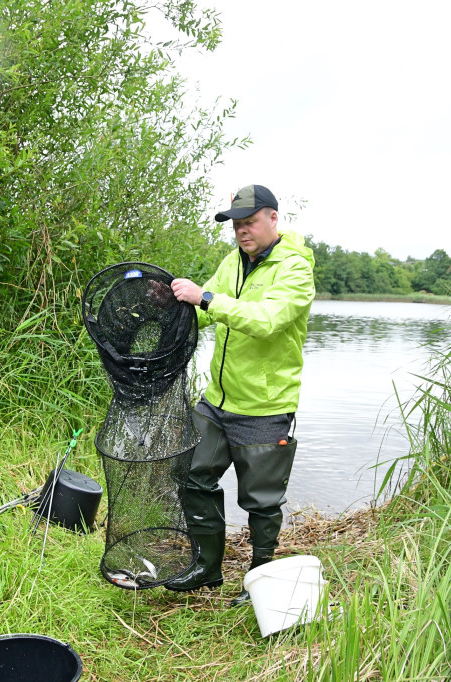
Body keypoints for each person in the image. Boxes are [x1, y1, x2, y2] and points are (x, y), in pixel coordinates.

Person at [165, 184, 315, 605]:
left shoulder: (296, 269)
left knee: (261, 503)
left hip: (265, 407)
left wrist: (207, 298)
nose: (242, 231)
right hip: (217, 401)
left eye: (249, 222)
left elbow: (267, 320)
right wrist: (178, 302)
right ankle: (206, 568)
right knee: (193, 474)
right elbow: (203, 310)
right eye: (236, 224)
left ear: (273, 218)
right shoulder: (233, 261)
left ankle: (260, 582)